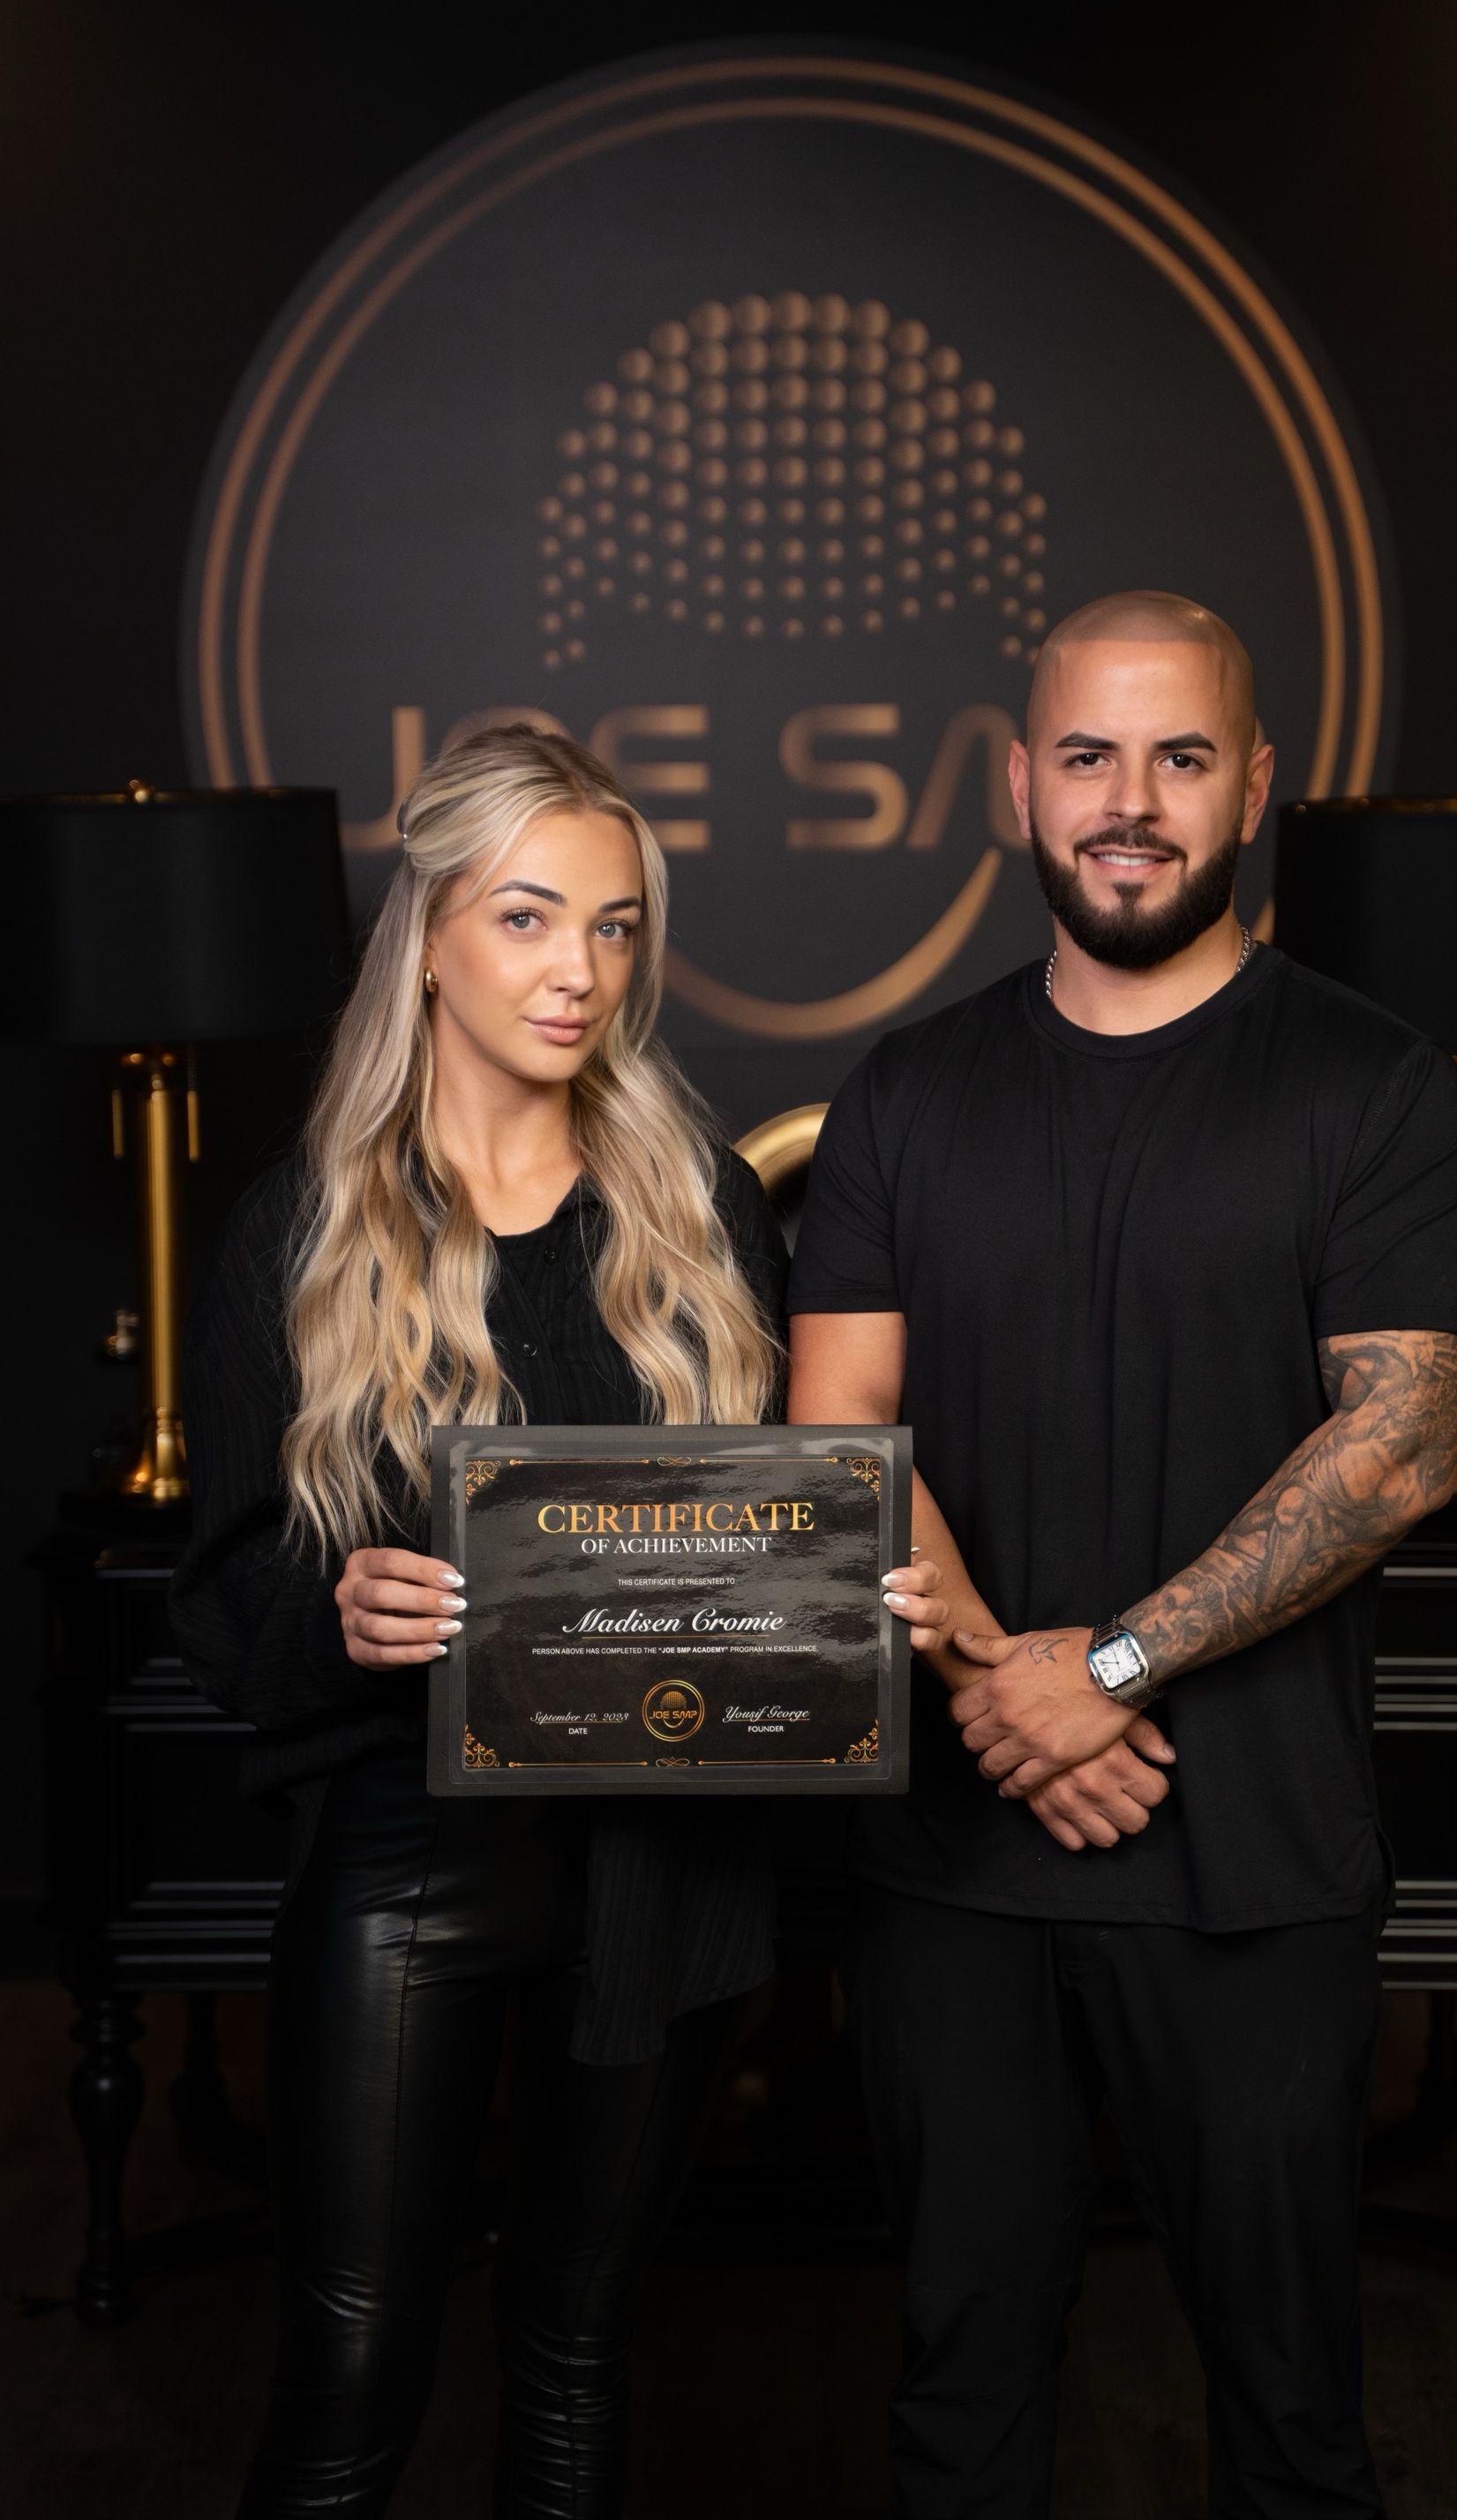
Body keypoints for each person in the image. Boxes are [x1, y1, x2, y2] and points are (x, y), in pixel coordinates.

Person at [169, 722, 943, 2518]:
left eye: (613, 928)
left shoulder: (702, 1211)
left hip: (669, 1861)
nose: (578, 973)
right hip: (410, 1857)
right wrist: (345, 1609)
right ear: (429, 932)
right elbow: (220, 1603)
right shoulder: (295, 1231)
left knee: (579, 2350)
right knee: (353, 2373)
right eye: (528, 920)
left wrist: (849, 1600)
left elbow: (762, 1546)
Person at [787, 592, 1457, 2519]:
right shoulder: (908, 1092)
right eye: (1088, 756)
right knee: (958, 2400)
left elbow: (1402, 1446)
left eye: (1181, 756)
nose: (1130, 801)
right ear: (1018, 786)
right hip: (954, 1863)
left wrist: (1094, 1675)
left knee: (1290, 2412)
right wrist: (994, 1684)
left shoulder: (1371, 1088)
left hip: (1253, 1868)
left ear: (1255, 785)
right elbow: (841, 1438)